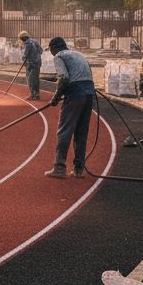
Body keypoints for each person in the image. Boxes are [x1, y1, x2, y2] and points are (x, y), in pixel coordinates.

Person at [46, 37, 96, 179]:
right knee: (81, 132)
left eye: (51, 50)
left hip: (75, 94)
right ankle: (79, 169)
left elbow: (64, 78)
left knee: (65, 131)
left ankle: (59, 167)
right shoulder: (79, 55)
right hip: (89, 93)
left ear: (54, 48)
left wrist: (56, 97)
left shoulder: (59, 56)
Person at [19, 30, 43, 101]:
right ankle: (37, 94)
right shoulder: (35, 41)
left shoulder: (28, 43)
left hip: (31, 64)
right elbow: (41, 50)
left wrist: (24, 59)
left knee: (30, 80)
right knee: (36, 79)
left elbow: (26, 54)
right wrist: (37, 56)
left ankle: (33, 94)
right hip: (38, 63)